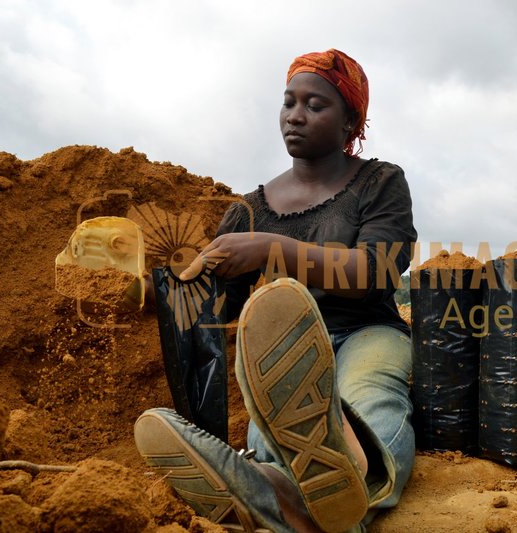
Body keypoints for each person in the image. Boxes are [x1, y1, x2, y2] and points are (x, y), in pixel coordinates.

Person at [134, 48, 417, 532]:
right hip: (277, 344)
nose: (295, 116)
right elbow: (222, 313)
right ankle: (310, 499)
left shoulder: (380, 182)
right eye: (289, 102)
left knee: (369, 396)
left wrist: (271, 248)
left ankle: (276, 492)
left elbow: (375, 271)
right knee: (274, 411)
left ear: (350, 121)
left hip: (366, 330)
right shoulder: (248, 209)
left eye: (315, 104)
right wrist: (171, 286)